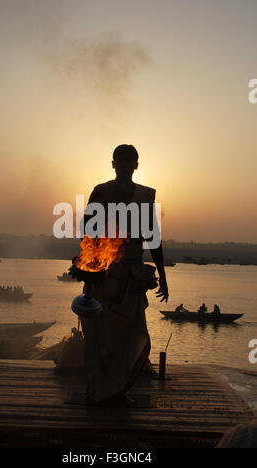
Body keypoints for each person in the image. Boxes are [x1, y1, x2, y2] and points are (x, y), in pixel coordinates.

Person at [80, 144, 169, 407]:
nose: (125, 164)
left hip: (132, 275)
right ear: (113, 164)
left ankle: (118, 390)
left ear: (136, 165)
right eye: (120, 159)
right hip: (105, 273)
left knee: (130, 335)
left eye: (130, 160)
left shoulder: (144, 196)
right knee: (102, 336)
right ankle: (98, 391)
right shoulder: (102, 192)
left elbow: (152, 237)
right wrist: (91, 265)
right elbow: (87, 230)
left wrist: (163, 275)